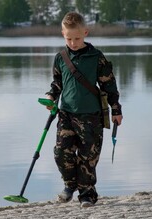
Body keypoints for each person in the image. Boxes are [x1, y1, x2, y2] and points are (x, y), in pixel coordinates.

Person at [44, 12, 123, 208]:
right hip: (66, 114)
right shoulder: (60, 58)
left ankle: (87, 194)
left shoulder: (96, 57)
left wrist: (116, 110)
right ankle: (70, 186)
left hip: (92, 117)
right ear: (63, 34)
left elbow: (109, 86)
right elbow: (57, 83)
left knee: (88, 157)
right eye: (69, 38)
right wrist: (50, 97)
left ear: (85, 33)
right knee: (61, 153)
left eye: (77, 38)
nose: (73, 42)